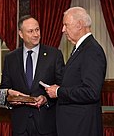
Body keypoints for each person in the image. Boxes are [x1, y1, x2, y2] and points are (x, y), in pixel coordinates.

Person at [45, 7, 107, 136]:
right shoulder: (80, 49)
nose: (63, 30)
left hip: (81, 126)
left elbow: (91, 92)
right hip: (74, 124)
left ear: (79, 25)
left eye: (66, 25)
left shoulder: (92, 51)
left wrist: (58, 91)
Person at [0, 15, 65, 136]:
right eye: (30, 31)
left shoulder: (54, 55)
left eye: (37, 29)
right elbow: (5, 88)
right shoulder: (10, 58)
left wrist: (46, 98)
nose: (36, 34)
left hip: (46, 124)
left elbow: (63, 86)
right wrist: (11, 99)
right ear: (21, 34)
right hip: (20, 125)